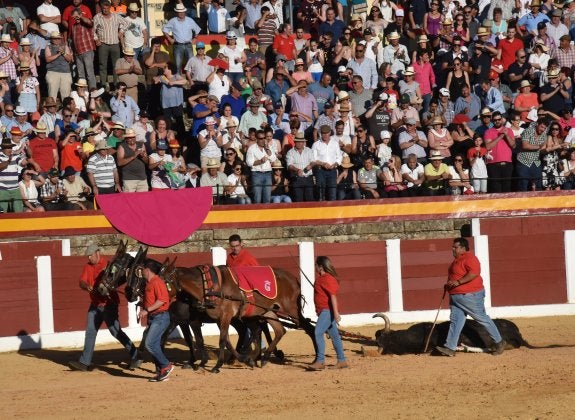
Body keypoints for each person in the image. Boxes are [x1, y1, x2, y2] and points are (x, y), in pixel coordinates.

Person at [68, 243, 141, 372]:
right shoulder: (88, 267)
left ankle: (136, 355)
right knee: (90, 332)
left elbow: (120, 279)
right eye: (88, 256)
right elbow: (81, 281)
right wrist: (86, 286)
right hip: (95, 304)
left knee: (115, 331)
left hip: (109, 304)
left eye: (91, 255)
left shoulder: (109, 266)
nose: (89, 258)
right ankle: (84, 362)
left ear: (97, 253)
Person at [435, 238, 505, 357]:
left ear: (463, 248)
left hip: (469, 296)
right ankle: (450, 347)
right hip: (457, 297)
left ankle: (499, 342)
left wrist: (458, 282)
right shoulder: (457, 260)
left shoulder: (470, 258)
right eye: (453, 247)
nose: (453, 249)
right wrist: (449, 285)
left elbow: (474, 273)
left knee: (481, 318)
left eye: (455, 247)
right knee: (456, 321)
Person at [308, 255, 347, 370]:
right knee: (335, 336)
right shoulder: (323, 279)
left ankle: (320, 361)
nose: (315, 267)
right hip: (324, 311)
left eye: (316, 265)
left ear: (320, 267)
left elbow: (333, 296)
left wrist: (335, 313)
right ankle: (342, 361)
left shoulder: (327, 279)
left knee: (318, 332)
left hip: (327, 311)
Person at [139, 260, 173, 382]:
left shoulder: (157, 282)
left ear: (147, 270)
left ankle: (166, 365)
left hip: (161, 317)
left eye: (142, 269)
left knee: (149, 344)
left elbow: (162, 300)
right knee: (153, 344)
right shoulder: (149, 283)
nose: (141, 271)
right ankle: (161, 372)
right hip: (154, 318)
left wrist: (146, 310)